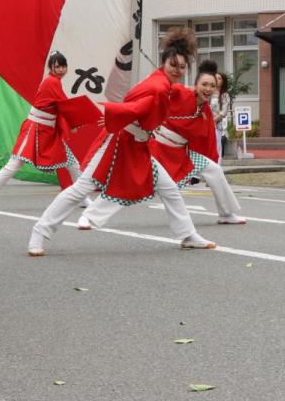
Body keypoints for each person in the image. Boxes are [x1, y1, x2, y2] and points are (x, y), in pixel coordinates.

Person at [27, 28, 217, 256]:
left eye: (182, 67)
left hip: (138, 146)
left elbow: (178, 94)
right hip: (118, 144)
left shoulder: (164, 85)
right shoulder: (157, 87)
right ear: (163, 63)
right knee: (80, 189)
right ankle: (40, 232)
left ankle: (188, 235)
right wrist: (111, 112)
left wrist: (199, 93)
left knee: (169, 190)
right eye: (173, 65)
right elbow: (135, 107)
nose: (177, 70)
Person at [132, 58, 245, 226]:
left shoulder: (205, 110)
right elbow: (158, 88)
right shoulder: (179, 91)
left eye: (212, 86)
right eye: (204, 84)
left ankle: (226, 214)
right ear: (196, 84)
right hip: (158, 149)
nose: (208, 89)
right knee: (129, 182)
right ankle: (91, 214)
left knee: (214, 170)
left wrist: (207, 160)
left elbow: (207, 140)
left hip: (182, 152)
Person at [0, 52, 94, 213]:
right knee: (13, 165)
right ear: (51, 67)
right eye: (57, 66)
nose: (61, 69)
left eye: (63, 66)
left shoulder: (55, 82)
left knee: (72, 164)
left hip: (49, 131)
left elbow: (63, 107)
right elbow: (65, 106)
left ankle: (84, 198)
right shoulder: (51, 82)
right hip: (35, 130)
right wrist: (74, 122)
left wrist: (73, 122)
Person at [211, 72, 232, 159]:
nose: (216, 80)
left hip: (216, 125)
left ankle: (217, 169)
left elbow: (223, 112)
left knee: (217, 148)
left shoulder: (225, 95)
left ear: (223, 81)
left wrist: (213, 121)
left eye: (219, 78)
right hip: (204, 124)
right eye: (215, 77)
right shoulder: (208, 92)